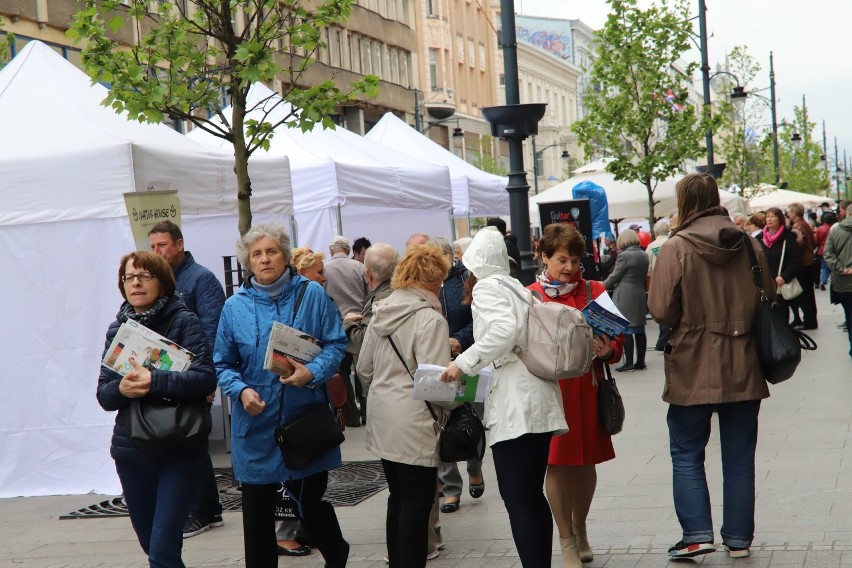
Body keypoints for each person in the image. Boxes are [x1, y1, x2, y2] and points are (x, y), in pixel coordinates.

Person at [648, 173, 775, 560]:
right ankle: (738, 539)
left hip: (691, 363)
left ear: (684, 202)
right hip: (743, 363)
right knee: (739, 458)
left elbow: (660, 309)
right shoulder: (750, 245)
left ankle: (696, 534)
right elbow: (767, 294)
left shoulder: (676, 248)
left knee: (687, 453)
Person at [215, 224, 349, 568]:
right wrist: (241, 390)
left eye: (271, 251)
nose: (264, 259)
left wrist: (313, 372)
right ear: (248, 261)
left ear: (285, 256)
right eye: (257, 253)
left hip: (303, 420)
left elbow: (336, 343)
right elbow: (223, 363)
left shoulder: (312, 295)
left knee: (310, 504)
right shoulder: (235, 306)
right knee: (257, 515)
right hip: (255, 424)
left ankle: (336, 553)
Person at [440, 227, 568, 568]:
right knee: (530, 495)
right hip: (536, 399)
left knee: (517, 497)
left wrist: (462, 363)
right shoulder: (516, 287)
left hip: (516, 406)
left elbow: (503, 331)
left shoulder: (486, 288)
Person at [98, 251, 217, 567]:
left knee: (162, 551)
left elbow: (205, 379)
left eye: (143, 276)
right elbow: (104, 395)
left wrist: (155, 380)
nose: (135, 283)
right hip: (131, 452)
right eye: (129, 277)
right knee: (153, 545)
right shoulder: (117, 329)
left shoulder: (183, 321)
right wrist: (122, 389)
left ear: (162, 282)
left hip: (177, 450)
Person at [528, 223, 623, 568]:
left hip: (588, 389)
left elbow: (618, 342)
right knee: (555, 463)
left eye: (575, 260)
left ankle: (580, 528)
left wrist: (607, 350)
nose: (569, 267)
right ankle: (566, 539)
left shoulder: (595, 288)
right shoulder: (531, 294)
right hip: (550, 391)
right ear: (544, 256)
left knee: (585, 465)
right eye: (562, 259)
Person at [357, 245, 453, 568]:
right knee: (417, 501)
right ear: (433, 279)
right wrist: (464, 392)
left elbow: (363, 369)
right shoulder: (430, 319)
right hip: (415, 422)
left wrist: (385, 391)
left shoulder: (381, 310)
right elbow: (436, 385)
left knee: (397, 497)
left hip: (383, 418)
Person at [147, 220, 227, 539]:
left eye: (162, 245)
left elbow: (212, 330)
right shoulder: (160, 281)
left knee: (192, 443)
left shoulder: (201, 279)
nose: (157, 252)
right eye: (152, 247)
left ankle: (201, 511)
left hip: (193, 377)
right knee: (190, 443)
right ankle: (210, 510)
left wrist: (208, 381)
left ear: (179, 245)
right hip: (168, 379)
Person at [427, 237, 482, 516]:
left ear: (451, 257)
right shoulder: (425, 284)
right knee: (442, 423)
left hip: (468, 360)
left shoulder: (467, 279)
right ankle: (451, 489)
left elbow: (478, 319)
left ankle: (475, 468)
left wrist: (459, 339)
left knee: (469, 419)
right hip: (437, 362)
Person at [324, 235, 370, 427]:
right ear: (348, 250)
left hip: (337, 325)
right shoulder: (359, 267)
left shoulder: (324, 269)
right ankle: (368, 412)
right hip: (360, 324)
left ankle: (350, 415)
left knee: (341, 371)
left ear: (331, 250)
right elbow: (370, 295)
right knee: (363, 370)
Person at [603, 229, 649, 372]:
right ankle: (640, 362)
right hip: (640, 293)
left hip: (625, 296)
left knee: (627, 329)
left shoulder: (624, 256)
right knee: (640, 329)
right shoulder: (643, 254)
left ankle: (629, 363)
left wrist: (600, 286)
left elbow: (614, 277)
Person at [760, 207, 801, 325]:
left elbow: (795, 260)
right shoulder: (760, 239)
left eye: (773, 217)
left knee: (782, 316)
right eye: (767, 217)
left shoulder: (787, 237)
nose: (769, 219)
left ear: (780, 219)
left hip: (780, 283)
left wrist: (784, 276)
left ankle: (784, 340)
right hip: (766, 283)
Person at [823, 208, 852, 358]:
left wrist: (841, 269)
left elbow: (827, 253)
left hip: (842, 282)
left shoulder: (835, 231)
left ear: (847, 213)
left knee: (849, 313)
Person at [786, 203, 818, 330]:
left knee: (805, 295)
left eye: (789, 211)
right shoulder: (804, 224)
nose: (788, 214)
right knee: (808, 294)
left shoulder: (798, 226)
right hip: (808, 262)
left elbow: (798, 244)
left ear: (794, 213)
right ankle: (810, 320)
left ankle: (809, 321)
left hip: (804, 264)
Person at [646, 220, 671, 351]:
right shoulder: (673, 241)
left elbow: (648, 269)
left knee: (662, 310)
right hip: (674, 280)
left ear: (655, 232)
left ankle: (663, 340)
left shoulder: (651, 246)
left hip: (659, 282)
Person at [815, 212, 837, 290]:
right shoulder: (834, 228)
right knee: (833, 266)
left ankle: (823, 281)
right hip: (832, 250)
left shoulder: (819, 229)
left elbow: (816, 241)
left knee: (824, 266)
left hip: (822, 250)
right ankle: (834, 281)